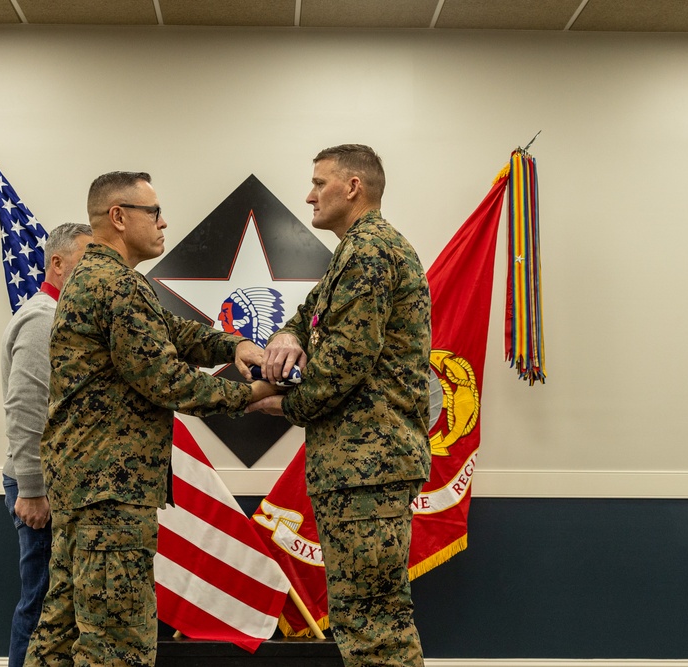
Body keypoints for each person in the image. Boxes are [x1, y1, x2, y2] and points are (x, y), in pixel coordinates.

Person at [24, 171, 277, 667]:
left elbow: (170, 332)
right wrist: (249, 394)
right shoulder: (116, 287)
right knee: (117, 646)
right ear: (119, 217)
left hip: (84, 487)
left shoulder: (96, 281)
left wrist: (234, 344)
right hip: (111, 496)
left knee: (59, 634)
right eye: (153, 213)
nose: (164, 223)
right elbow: (167, 379)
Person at [251, 144, 432, 667]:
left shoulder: (369, 252)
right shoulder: (353, 255)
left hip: (367, 469)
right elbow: (305, 315)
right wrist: (286, 337)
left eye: (319, 182)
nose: (309, 195)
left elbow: (341, 369)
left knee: (374, 629)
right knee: (370, 620)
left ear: (352, 186)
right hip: (358, 470)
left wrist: (280, 405)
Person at [1, 222, 94, 667]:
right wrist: (33, 490)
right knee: (41, 606)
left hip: (64, 485)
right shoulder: (44, 320)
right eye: (88, 258)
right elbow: (25, 408)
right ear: (57, 263)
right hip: (41, 488)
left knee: (62, 609)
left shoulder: (71, 318)